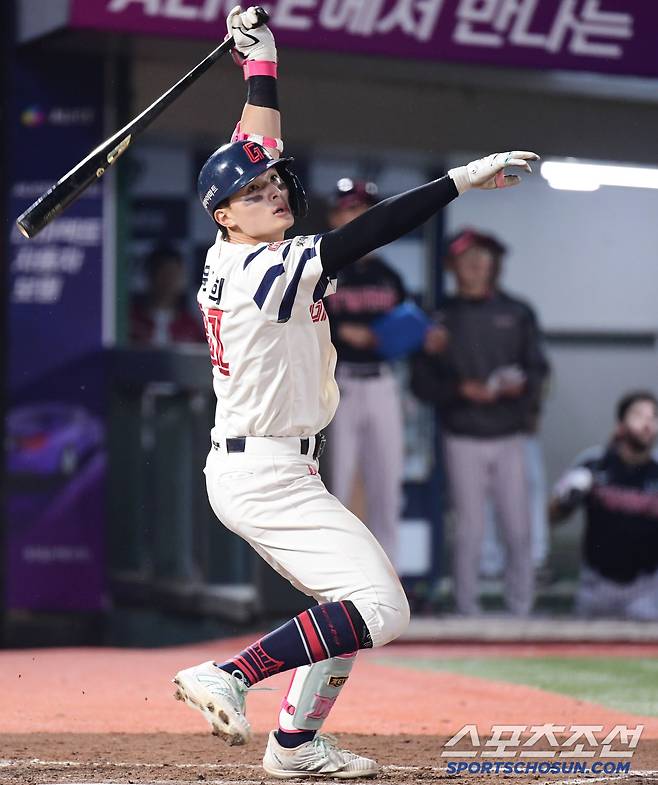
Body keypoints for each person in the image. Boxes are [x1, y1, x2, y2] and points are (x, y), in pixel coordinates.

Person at [172, 5, 539, 779]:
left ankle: (294, 746)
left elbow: (258, 145)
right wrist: (460, 180)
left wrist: (261, 60)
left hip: (268, 463)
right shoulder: (267, 269)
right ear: (225, 216)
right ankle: (230, 673)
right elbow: (361, 236)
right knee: (381, 606)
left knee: (350, 599)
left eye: (274, 184)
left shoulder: (229, 246)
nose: (273, 191)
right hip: (263, 472)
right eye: (254, 192)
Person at [411, 229, 548, 617]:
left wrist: (522, 395)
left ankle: (521, 610)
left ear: (494, 265)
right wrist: (460, 389)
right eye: (467, 259)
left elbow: (538, 370)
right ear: (452, 266)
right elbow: (422, 382)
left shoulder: (518, 312)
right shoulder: (438, 319)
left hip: (510, 436)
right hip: (462, 435)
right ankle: (466, 611)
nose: (476, 266)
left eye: (483, 258)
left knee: (519, 528)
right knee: (469, 529)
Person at [325, 178, 406, 565]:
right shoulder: (322, 268)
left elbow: (405, 328)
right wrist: (341, 331)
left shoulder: (389, 275)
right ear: (335, 215)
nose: (357, 216)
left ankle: (390, 578)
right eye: (350, 208)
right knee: (336, 485)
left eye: (364, 209)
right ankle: (335, 578)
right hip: (338, 382)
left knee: (387, 486)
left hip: (382, 379)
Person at [550, 391, 658, 621]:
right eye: (639, 416)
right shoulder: (593, 463)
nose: (647, 424)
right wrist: (567, 499)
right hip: (596, 586)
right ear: (620, 425)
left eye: (653, 417)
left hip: (646, 589)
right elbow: (552, 516)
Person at [129, 246, 205, 345]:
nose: (169, 281)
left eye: (173, 275)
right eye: (163, 274)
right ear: (150, 275)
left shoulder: (191, 326)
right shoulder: (132, 322)